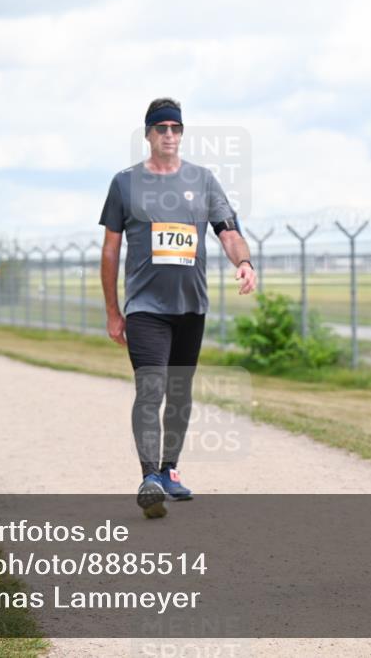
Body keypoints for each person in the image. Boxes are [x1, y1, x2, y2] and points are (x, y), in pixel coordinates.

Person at [99, 97, 257, 519]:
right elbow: (111, 251)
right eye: (160, 128)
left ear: (181, 133)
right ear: (148, 134)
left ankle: (169, 470)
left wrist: (243, 261)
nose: (169, 135)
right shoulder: (125, 184)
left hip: (191, 306)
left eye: (175, 128)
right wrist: (114, 311)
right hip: (144, 307)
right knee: (151, 387)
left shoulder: (203, 180)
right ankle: (149, 476)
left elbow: (228, 231)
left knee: (181, 394)